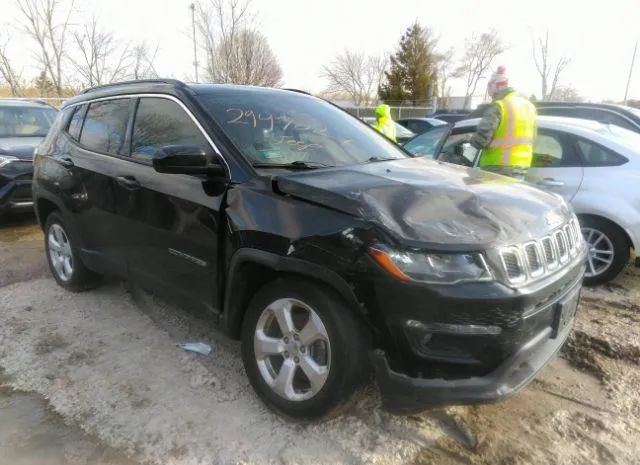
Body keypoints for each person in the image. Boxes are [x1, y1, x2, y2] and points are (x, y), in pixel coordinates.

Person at [468, 66, 537, 179]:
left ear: (496, 88)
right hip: (522, 166)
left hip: (498, 167)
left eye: (493, 94)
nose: (493, 97)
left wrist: (470, 140)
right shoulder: (530, 107)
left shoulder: (500, 105)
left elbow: (482, 138)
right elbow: (533, 138)